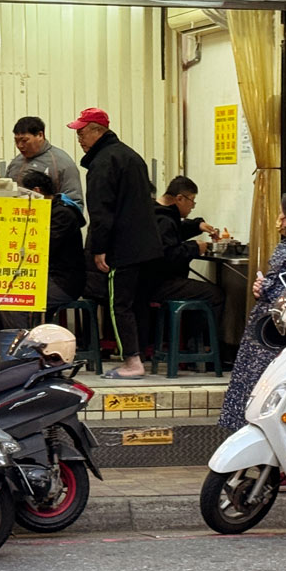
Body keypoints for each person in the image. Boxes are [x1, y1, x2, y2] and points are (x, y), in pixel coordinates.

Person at [219, 192, 286, 431]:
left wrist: (264, 288)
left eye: (282, 213)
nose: (278, 218)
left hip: (275, 335)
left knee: (261, 389)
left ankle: (255, 440)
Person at [70, 107, 161, 379]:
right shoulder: (131, 156)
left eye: (82, 132)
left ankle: (132, 363)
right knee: (136, 304)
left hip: (122, 247)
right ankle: (140, 356)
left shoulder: (103, 162)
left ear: (99, 130)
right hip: (146, 246)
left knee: (117, 304)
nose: (79, 138)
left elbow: (101, 212)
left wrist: (99, 249)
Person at [0, 170, 87, 330]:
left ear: (36, 191)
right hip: (48, 277)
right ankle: (26, 345)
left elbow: (43, 248)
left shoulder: (62, 215)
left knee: (11, 300)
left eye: (23, 194)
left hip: (63, 282)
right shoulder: (48, 211)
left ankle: (22, 351)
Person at [149, 176, 226, 347]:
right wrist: (194, 248)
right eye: (192, 201)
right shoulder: (164, 220)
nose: (192, 206)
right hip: (158, 282)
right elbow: (167, 254)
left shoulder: (156, 212)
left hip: (149, 280)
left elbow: (175, 232)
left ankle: (193, 348)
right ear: (179, 198)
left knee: (197, 290)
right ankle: (203, 349)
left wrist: (197, 225)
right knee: (214, 294)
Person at [6, 116, 83, 203]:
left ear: (40, 135)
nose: (20, 145)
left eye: (24, 140)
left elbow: (74, 203)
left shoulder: (61, 163)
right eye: (16, 141)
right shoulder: (16, 162)